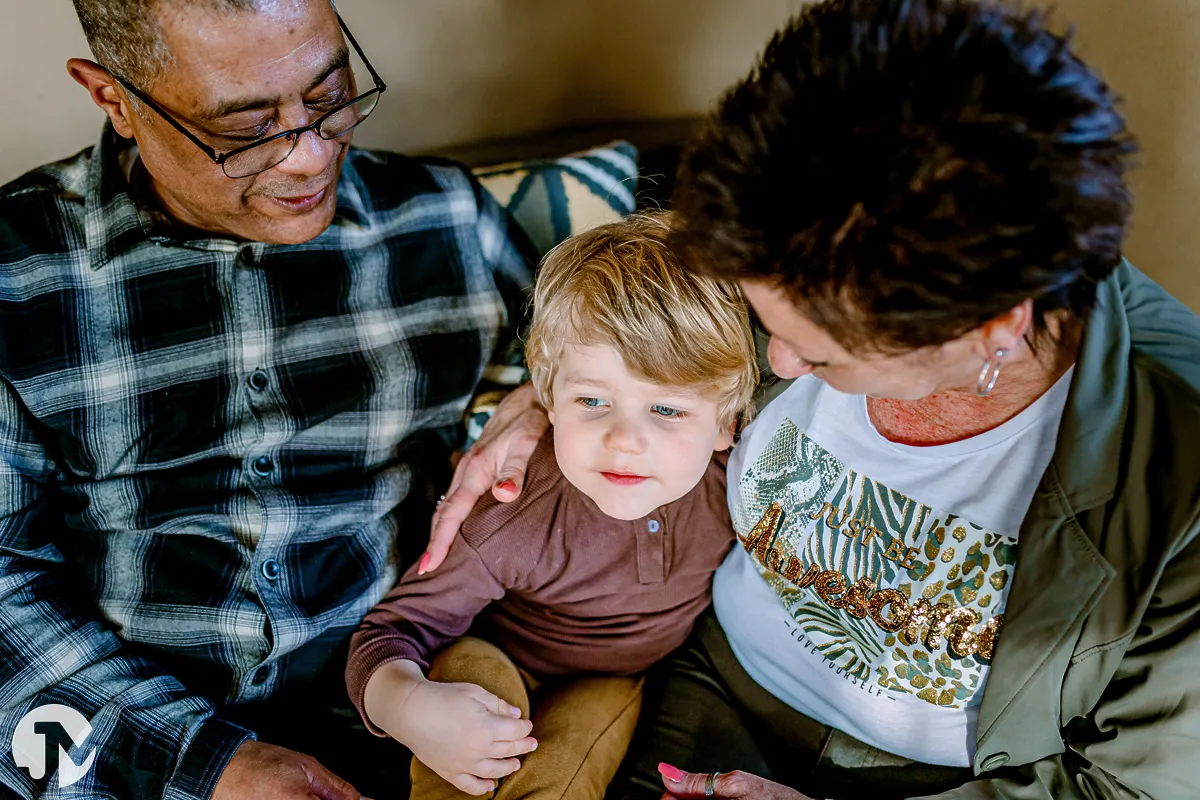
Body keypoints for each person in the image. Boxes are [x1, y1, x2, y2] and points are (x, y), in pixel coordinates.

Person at [426, 1, 1200, 799]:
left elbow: (1130, 787)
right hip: (706, 676)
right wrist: (546, 400)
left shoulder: (1180, 481)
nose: (776, 361)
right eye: (765, 319)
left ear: (992, 328)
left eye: (822, 347)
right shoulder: (796, 228)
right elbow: (645, 343)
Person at [0, 1, 534, 798]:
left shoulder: (448, 223)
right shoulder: (15, 280)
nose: (310, 158)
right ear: (114, 100)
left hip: (414, 718)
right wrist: (205, 765)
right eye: (246, 129)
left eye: (328, 95)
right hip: (122, 753)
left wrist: (550, 403)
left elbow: (643, 380)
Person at [345, 213, 758, 800]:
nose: (624, 440)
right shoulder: (512, 512)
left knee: (558, 778)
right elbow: (392, 632)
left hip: (614, 679)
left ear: (727, 423)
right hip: (491, 654)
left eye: (666, 410)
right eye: (592, 400)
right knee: (469, 752)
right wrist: (407, 706)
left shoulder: (741, 484)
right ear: (548, 398)